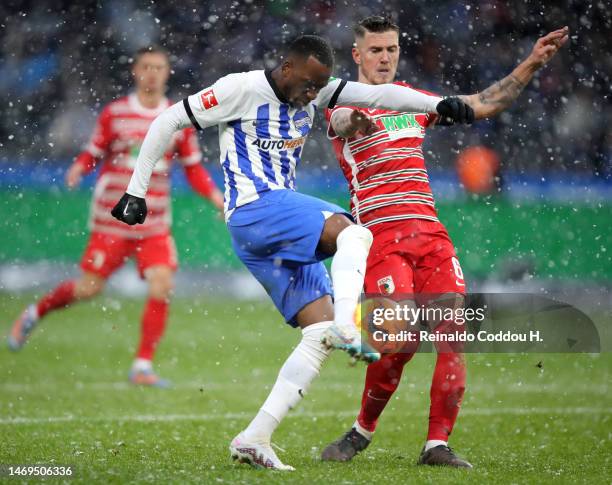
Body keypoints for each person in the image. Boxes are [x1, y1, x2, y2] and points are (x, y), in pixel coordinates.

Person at [111, 35, 473, 470]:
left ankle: (255, 436)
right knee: (355, 234)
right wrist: (136, 190)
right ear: (286, 68)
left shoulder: (317, 88)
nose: (310, 96)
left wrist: (436, 104)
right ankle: (347, 324)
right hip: (254, 208)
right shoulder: (238, 89)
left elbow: (380, 94)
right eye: (306, 86)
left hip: (271, 233)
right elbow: (166, 121)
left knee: (316, 333)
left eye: (317, 89)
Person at [320, 16, 569, 468]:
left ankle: (436, 444)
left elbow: (484, 104)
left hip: (431, 237)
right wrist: (352, 119)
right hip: (380, 239)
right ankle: (362, 430)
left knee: (453, 335)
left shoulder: (412, 101)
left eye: (391, 49)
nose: (384, 58)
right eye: (375, 50)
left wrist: (531, 63)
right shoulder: (343, 100)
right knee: (398, 342)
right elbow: (339, 121)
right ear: (357, 56)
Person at [8, 46, 225, 388]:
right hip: (113, 219)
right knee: (88, 288)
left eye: (159, 67)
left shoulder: (179, 118)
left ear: (168, 73)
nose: (152, 72)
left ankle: (142, 366)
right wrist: (79, 168)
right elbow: (94, 152)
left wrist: (216, 196)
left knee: (162, 284)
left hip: (154, 222)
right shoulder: (116, 113)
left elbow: (193, 168)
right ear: (136, 71)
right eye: (147, 66)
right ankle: (35, 312)